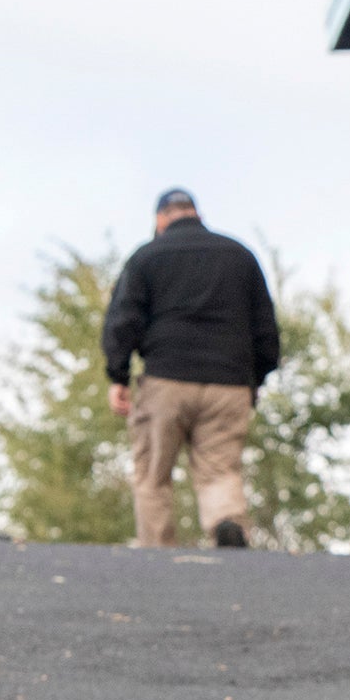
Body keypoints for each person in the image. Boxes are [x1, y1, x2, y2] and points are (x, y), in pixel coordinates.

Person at [101, 188, 279, 549]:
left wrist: (118, 375)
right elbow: (265, 328)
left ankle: (160, 555)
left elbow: (123, 320)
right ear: (196, 212)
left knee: (153, 475)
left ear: (160, 219)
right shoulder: (239, 255)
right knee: (220, 470)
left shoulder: (148, 256)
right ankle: (225, 524)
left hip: (166, 379)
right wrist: (255, 379)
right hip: (228, 384)